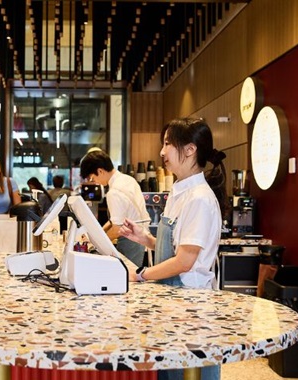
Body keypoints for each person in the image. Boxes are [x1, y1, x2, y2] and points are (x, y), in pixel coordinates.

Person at [118, 117, 228, 380]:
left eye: (168, 143)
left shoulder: (199, 198)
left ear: (190, 149)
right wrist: (145, 238)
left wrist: (142, 275)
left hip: (190, 309)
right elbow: (176, 248)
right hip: (170, 303)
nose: (162, 151)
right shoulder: (180, 193)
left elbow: (185, 262)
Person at [79, 149, 150, 266]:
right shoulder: (127, 179)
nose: (95, 182)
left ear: (100, 171)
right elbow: (116, 220)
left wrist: (98, 245)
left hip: (130, 240)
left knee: (127, 277)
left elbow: (117, 228)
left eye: (92, 178)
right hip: (140, 236)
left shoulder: (114, 192)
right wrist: (99, 234)